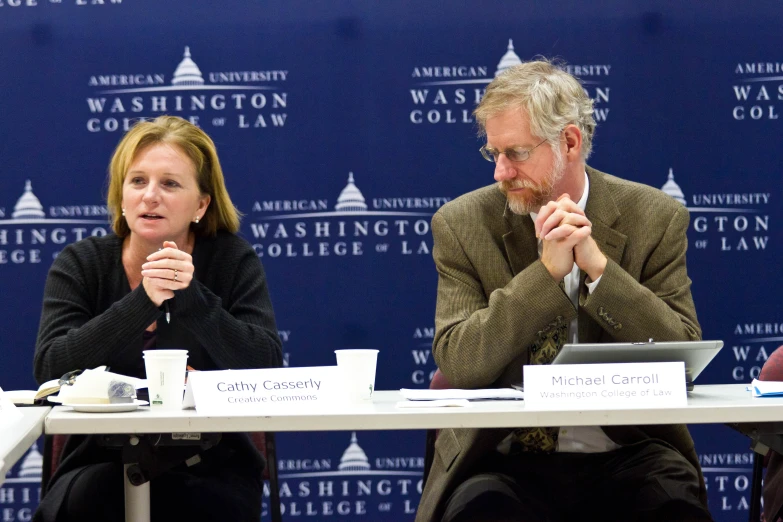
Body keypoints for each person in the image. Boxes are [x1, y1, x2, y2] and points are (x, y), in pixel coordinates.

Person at [418, 60, 712, 522]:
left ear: (569, 142)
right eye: (492, 153)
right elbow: (459, 360)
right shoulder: (461, 224)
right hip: (502, 457)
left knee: (672, 507)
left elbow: (682, 355)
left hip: (628, 451)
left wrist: (598, 268)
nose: (499, 172)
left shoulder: (654, 217)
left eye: (515, 153)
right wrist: (545, 276)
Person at [33, 115, 282, 522]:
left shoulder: (231, 260)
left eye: (170, 183)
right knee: (90, 502)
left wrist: (193, 298)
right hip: (99, 463)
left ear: (201, 204)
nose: (150, 196)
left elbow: (266, 364)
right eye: (138, 181)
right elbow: (50, 368)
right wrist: (142, 302)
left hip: (211, 463)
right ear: (122, 195)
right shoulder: (81, 263)